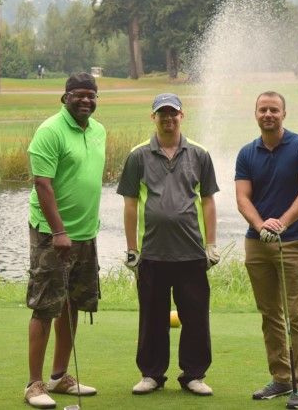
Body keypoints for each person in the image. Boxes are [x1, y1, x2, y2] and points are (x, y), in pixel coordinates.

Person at [117, 93, 220, 396]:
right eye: (162, 114)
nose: (168, 118)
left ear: (181, 116)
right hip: (152, 253)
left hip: (191, 252)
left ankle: (193, 375)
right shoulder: (138, 155)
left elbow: (208, 201)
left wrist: (211, 244)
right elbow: (131, 204)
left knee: (196, 317)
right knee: (151, 317)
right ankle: (151, 374)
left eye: (172, 113)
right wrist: (132, 248)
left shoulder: (199, 154)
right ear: (153, 118)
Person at [24, 72, 106, 409]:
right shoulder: (50, 131)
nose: (86, 100)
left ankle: (59, 377)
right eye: (79, 95)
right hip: (52, 234)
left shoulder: (98, 130)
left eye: (91, 95)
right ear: (65, 96)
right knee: (46, 306)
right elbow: (43, 184)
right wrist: (59, 231)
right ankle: (34, 384)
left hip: (85, 233)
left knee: (72, 304)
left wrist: (82, 229)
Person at [235, 91, 298, 409]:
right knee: (270, 314)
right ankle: (281, 379)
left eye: (274, 109)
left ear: (284, 113)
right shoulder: (247, 153)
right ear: (255, 114)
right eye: (262, 109)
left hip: (293, 241)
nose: (268, 114)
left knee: (296, 316)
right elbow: (243, 198)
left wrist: (281, 223)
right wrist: (261, 226)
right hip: (257, 243)